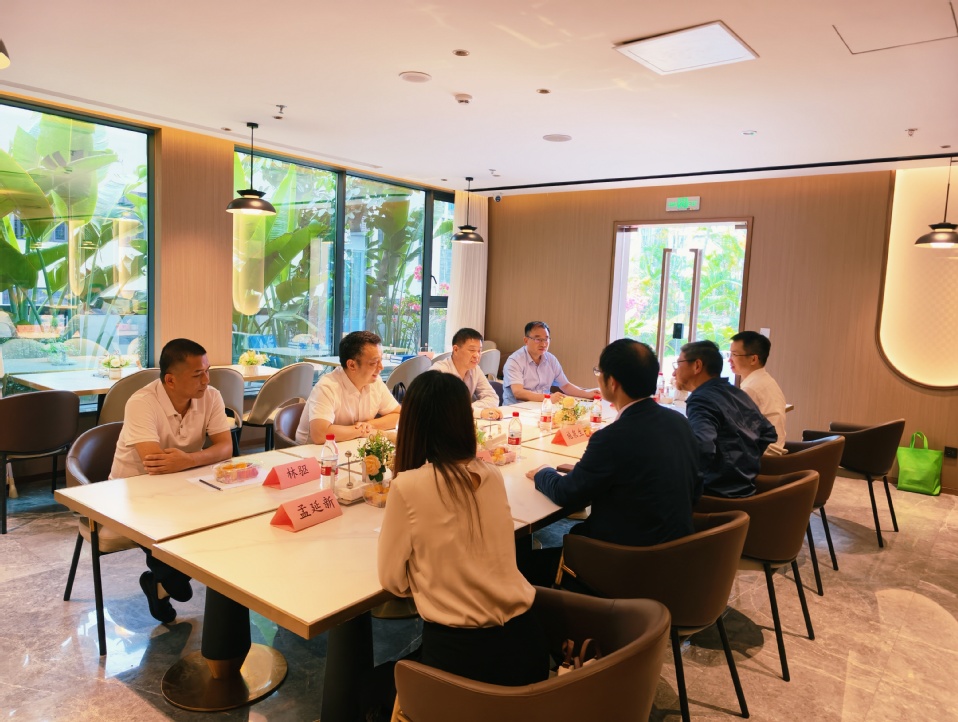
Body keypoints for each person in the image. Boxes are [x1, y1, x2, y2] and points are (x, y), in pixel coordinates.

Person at [378, 371, 549, 686]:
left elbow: (391, 581)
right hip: (528, 648)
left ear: (413, 425)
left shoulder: (407, 486)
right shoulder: (491, 474)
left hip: (461, 665)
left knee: (366, 689)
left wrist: (432, 578)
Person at [520, 339, 700, 587]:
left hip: (621, 562)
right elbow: (695, 487)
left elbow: (567, 495)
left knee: (519, 564)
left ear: (612, 382)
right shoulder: (679, 422)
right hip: (676, 553)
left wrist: (544, 472)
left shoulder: (613, 437)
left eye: (599, 372)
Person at [110, 338, 233, 623]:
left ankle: (159, 585)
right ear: (170, 380)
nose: (206, 380)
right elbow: (155, 463)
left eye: (207, 371)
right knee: (181, 571)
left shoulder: (211, 396)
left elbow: (226, 448)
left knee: (225, 529)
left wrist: (188, 460)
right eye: (197, 374)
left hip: (186, 487)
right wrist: (199, 458)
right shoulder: (142, 402)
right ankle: (164, 581)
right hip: (134, 494)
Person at [672, 340, 776, 498]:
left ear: (697, 366)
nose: (674, 373)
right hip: (746, 488)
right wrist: (744, 464)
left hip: (717, 495)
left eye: (679, 364)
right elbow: (768, 433)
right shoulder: (736, 393)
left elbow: (703, 447)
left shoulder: (701, 399)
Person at [295, 330, 401, 444]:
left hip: (351, 446)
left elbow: (399, 415)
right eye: (374, 363)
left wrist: (369, 425)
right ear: (352, 365)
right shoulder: (327, 387)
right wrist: (361, 431)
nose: (381, 367)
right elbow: (320, 434)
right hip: (313, 451)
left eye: (381, 360)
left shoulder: (375, 382)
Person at [501, 321, 595, 405]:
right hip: (517, 411)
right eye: (538, 339)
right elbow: (518, 392)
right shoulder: (515, 361)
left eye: (546, 339)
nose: (543, 344)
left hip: (543, 408)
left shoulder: (551, 359)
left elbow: (565, 386)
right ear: (526, 340)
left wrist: (588, 394)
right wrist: (548, 398)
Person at [729, 331, 787, 456]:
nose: (729, 360)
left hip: (763, 457)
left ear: (753, 359)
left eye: (734, 354)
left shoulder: (751, 388)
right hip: (771, 451)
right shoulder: (764, 380)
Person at [432, 327, 502, 420]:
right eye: (472, 350)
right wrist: (478, 412)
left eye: (479, 351)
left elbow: (492, 398)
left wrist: (468, 409)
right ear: (456, 350)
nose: (477, 355)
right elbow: (443, 409)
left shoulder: (475, 369)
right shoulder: (439, 372)